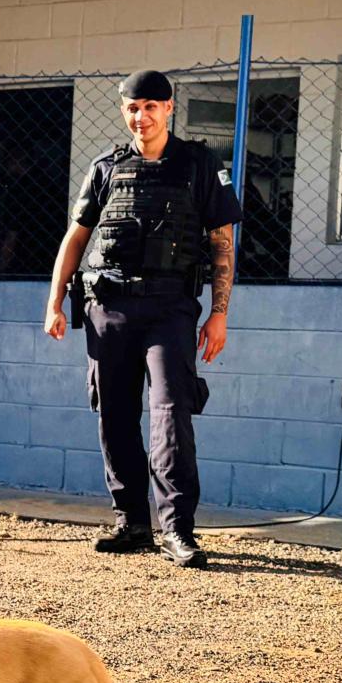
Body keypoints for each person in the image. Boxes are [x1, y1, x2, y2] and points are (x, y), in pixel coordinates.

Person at [43, 69, 243, 569]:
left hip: (170, 309)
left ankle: (177, 528)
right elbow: (76, 238)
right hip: (108, 308)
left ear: (169, 109)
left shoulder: (198, 164)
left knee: (171, 411)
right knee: (113, 413)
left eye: (152, 106)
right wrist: (53, 302)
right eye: (134, 107)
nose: (142, 115)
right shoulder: (106, 167)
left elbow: (222, 242)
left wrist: (219, 315)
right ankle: (132, 523)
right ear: (124, 111)